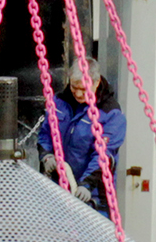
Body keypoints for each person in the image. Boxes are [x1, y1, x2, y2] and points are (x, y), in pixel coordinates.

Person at [35, 63, 126, 209]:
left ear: (96, 83)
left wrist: (87, 184)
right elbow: (46, 133)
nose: (78, 94)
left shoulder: (111, 114)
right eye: (74, 88)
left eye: (83, 89)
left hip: (94, 196)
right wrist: (47, 155)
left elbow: (103, 155)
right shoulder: (59, 102)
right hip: (57, 191)